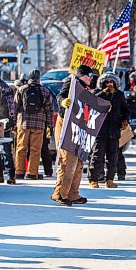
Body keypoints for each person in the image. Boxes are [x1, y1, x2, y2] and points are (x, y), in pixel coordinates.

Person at [51, 65, 93, 206]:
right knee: (68, 159)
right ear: (82, 75)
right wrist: (63, 102)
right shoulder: (72, 82)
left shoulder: (87, 89)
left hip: (79, 128)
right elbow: (60, 96)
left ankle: (73, 193)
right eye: (89, 75)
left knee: (79, 161)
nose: (91, 78)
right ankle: (60, 193)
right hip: (67, 125)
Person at [88, 72, 130, 188]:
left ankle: (110, 179)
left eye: (111, 82)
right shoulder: (97, 93)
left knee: (113, 157)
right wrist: (104, 93)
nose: (109, 84)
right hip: (100, 130)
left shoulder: (119, 95)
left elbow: (125, 110)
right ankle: (93, 179)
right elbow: (92, 103)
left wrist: (125, 120)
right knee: (97, 156)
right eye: (107, 82)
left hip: (114, 130)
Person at [14, 69, 53, 180]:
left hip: (23, 123)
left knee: (21, 148)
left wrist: (13, 123)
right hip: (39, 124)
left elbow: (15, 107)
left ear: (29, 78)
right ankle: (32, 173)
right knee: (35, 150)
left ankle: (19, 172)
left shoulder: (21, 89)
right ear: (39, 78)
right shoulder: (45, 91)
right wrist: (50, 126)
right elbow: (49, 110)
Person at [0, 71, 16, 184]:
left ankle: (2, 175)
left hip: (2, 122)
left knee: (3, 150)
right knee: (5, 150)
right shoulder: (6, 87)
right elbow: (12, 107)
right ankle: (9, 175)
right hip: (5, 122)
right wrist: (11, 121)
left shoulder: (3, 88)